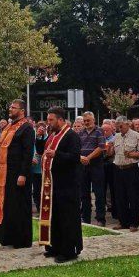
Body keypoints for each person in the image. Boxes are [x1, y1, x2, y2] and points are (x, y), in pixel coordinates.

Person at [40, 106, 83, 263]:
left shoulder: (71, 136)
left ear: (60, 119)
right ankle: (55, 246)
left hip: (68, 184)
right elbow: (43, 151)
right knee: (55, 216)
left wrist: (56, 154)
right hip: (53, 183)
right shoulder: (52, 135)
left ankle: (68, 251)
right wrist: (39, 138)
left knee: (67, 218)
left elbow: (74, 157)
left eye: (51, 120)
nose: (48, 122)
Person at [0, 99, 34, 248]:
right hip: (5, 174)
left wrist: (23, 174)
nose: (10, 109)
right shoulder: (8, 127)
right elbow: (3, 146)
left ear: (22, 111)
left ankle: (20, 240)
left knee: (18, 206)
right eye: (10, 107)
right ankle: (6, 238)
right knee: (7, 205)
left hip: (18, 173)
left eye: (13, 107)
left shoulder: (27, 128)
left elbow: (28, 153)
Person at [108, 116, 139, 231]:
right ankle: (122, 222)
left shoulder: (136, 135)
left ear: (127, 124)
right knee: (119, 197)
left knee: (133, 196)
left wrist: (132, 154)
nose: (119, 129)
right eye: (117, 127)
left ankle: (134, 223)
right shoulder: (116, 136)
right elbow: (110, 154)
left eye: (121, 126)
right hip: (118, 169)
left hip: (131, 169)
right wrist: (109, 148)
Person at [78, 112, 107, 227]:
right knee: (84, 193)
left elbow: (101, 147)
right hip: (83, 165)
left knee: (99, 193)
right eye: (84, 121)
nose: (86, 122)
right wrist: (81, 157)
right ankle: (85, 218)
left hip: (96, 165)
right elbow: (77, 147)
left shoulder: (99, 131)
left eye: (88, 120)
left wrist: (88, 157)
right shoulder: (80, 132)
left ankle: (101, 219)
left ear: (93, 120)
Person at [32, 122, 49, 213]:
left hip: (45, 169)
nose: (41, 130)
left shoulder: (49, 138)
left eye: (43, 129)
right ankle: (38, 207)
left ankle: (45, 207)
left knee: (46, 189)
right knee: (36, 190)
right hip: (35, 169)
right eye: (39, 129)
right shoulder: (33, 138)